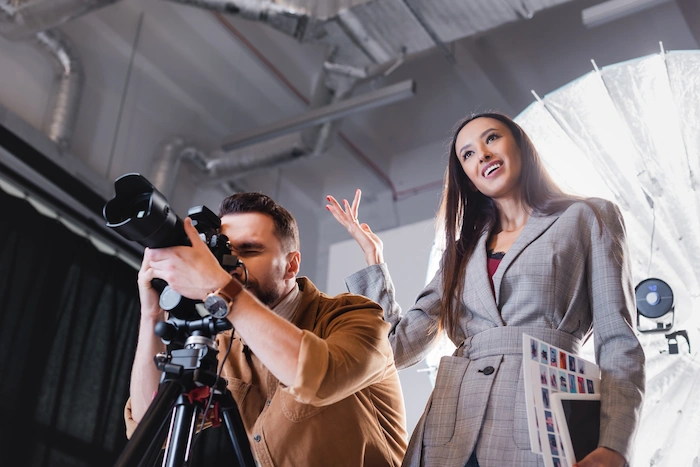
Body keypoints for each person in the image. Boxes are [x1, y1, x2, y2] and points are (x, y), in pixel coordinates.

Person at [326, 112, 645, 467]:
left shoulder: (588, 217)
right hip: (449, 427)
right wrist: (374, 262)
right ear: (469, 179)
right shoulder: (459, 252)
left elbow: (618, 341)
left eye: (491, 138)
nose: (482, 154)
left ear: (520, 145)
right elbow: (397, 347)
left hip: (546, 417)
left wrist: (615, 445)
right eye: (468, 154)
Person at [125, 192, 408, 466]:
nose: (231, 265)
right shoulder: (224, 344)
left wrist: (222, 288)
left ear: (291, 265)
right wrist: (151, 313)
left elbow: (317, 379)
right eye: (225, 251)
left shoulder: (356, 316)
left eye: (249, 250)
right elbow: (152, 430)